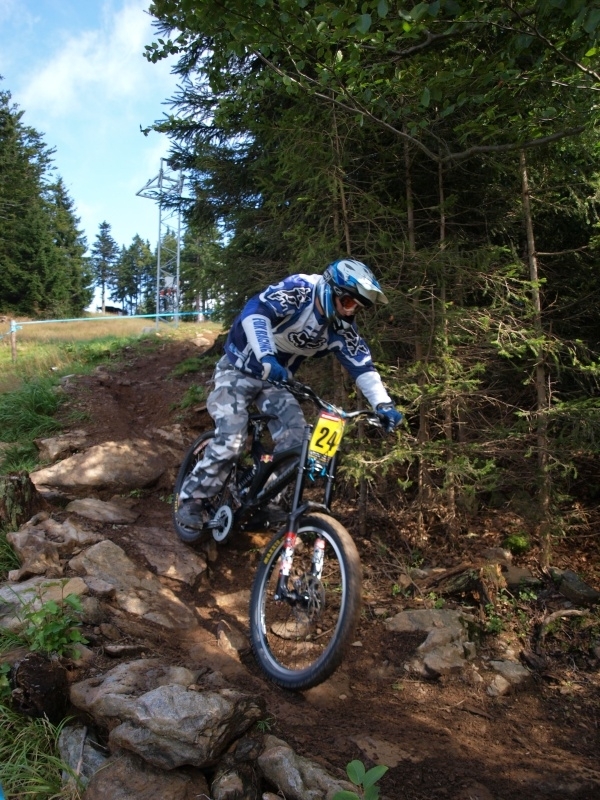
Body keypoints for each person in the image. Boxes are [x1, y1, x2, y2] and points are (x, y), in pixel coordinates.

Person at [177, 258, 403, 529]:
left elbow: (362, 366)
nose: (350, 311)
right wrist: (266, 355)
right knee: (232, 438)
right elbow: (255, 311)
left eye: (356, 307)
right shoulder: (299, 290)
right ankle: (194, 498)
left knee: (297, 439)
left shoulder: (341, 330)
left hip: (276, 381)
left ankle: (265, 500)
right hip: (238, 368)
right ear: (330, 289)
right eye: (347, 302)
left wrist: (383, 404)